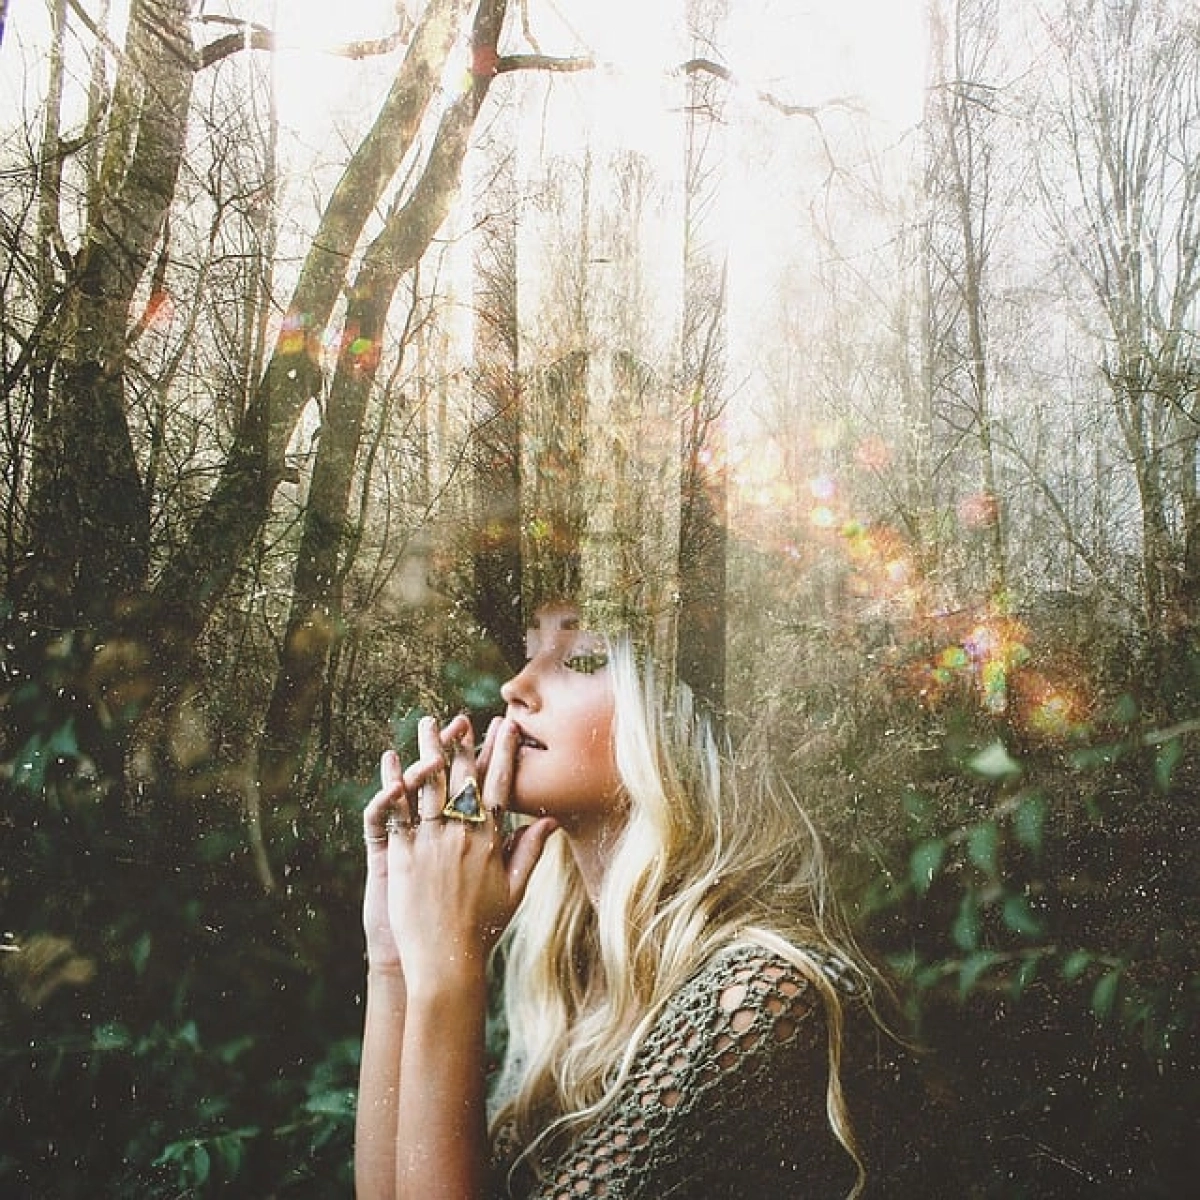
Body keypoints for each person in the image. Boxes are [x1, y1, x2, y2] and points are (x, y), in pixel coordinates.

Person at [355, 601, 897, 1199]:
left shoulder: (762, 996)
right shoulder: (581, 984)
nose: (517, 687)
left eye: (582, 659)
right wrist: (398, 959)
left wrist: (448, 970)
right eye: (531, 652)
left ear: (679, 712)